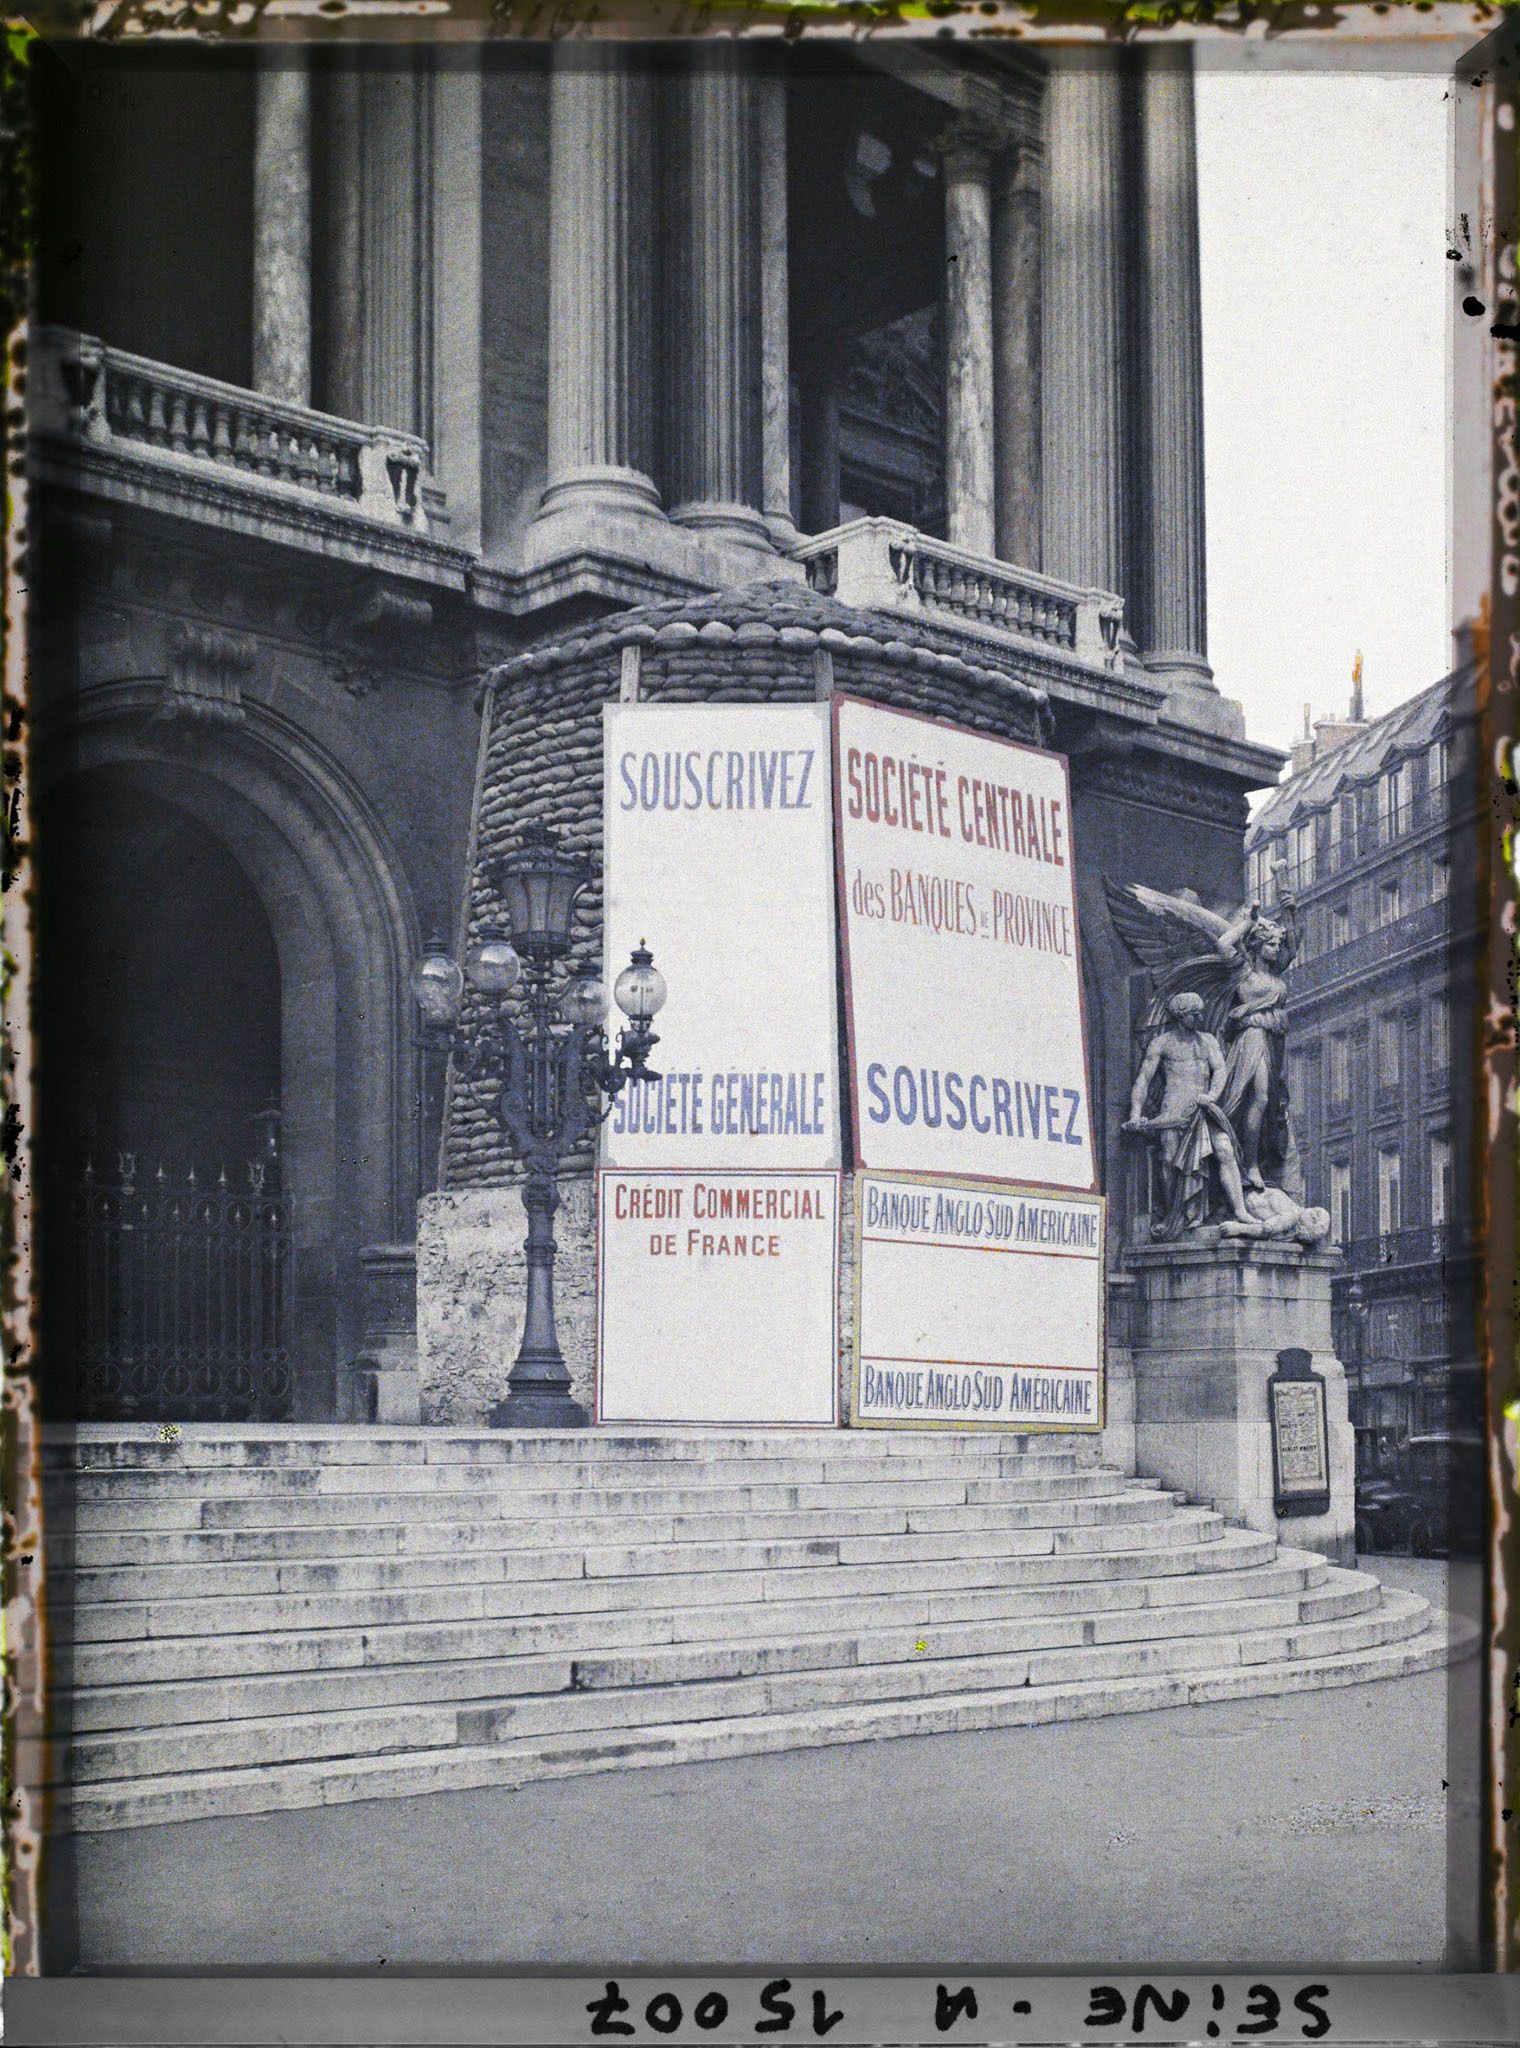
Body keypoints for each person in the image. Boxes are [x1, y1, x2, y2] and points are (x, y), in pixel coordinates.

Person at [1124, 992, 1254, 1239]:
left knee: (1225, 1150)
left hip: (1203, 1108)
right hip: (1173, 1110)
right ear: (1181, 1016)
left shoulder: (1207, 1041)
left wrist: (1212, 1095)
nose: (1200, 1017)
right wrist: (1135, 1114)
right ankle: (1176, 1218)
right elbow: (1143, 1079)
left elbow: (1220, 1072)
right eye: (1195, 1014)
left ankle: (1240, 1210)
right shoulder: (1162, 1043)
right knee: (1170, 1164)